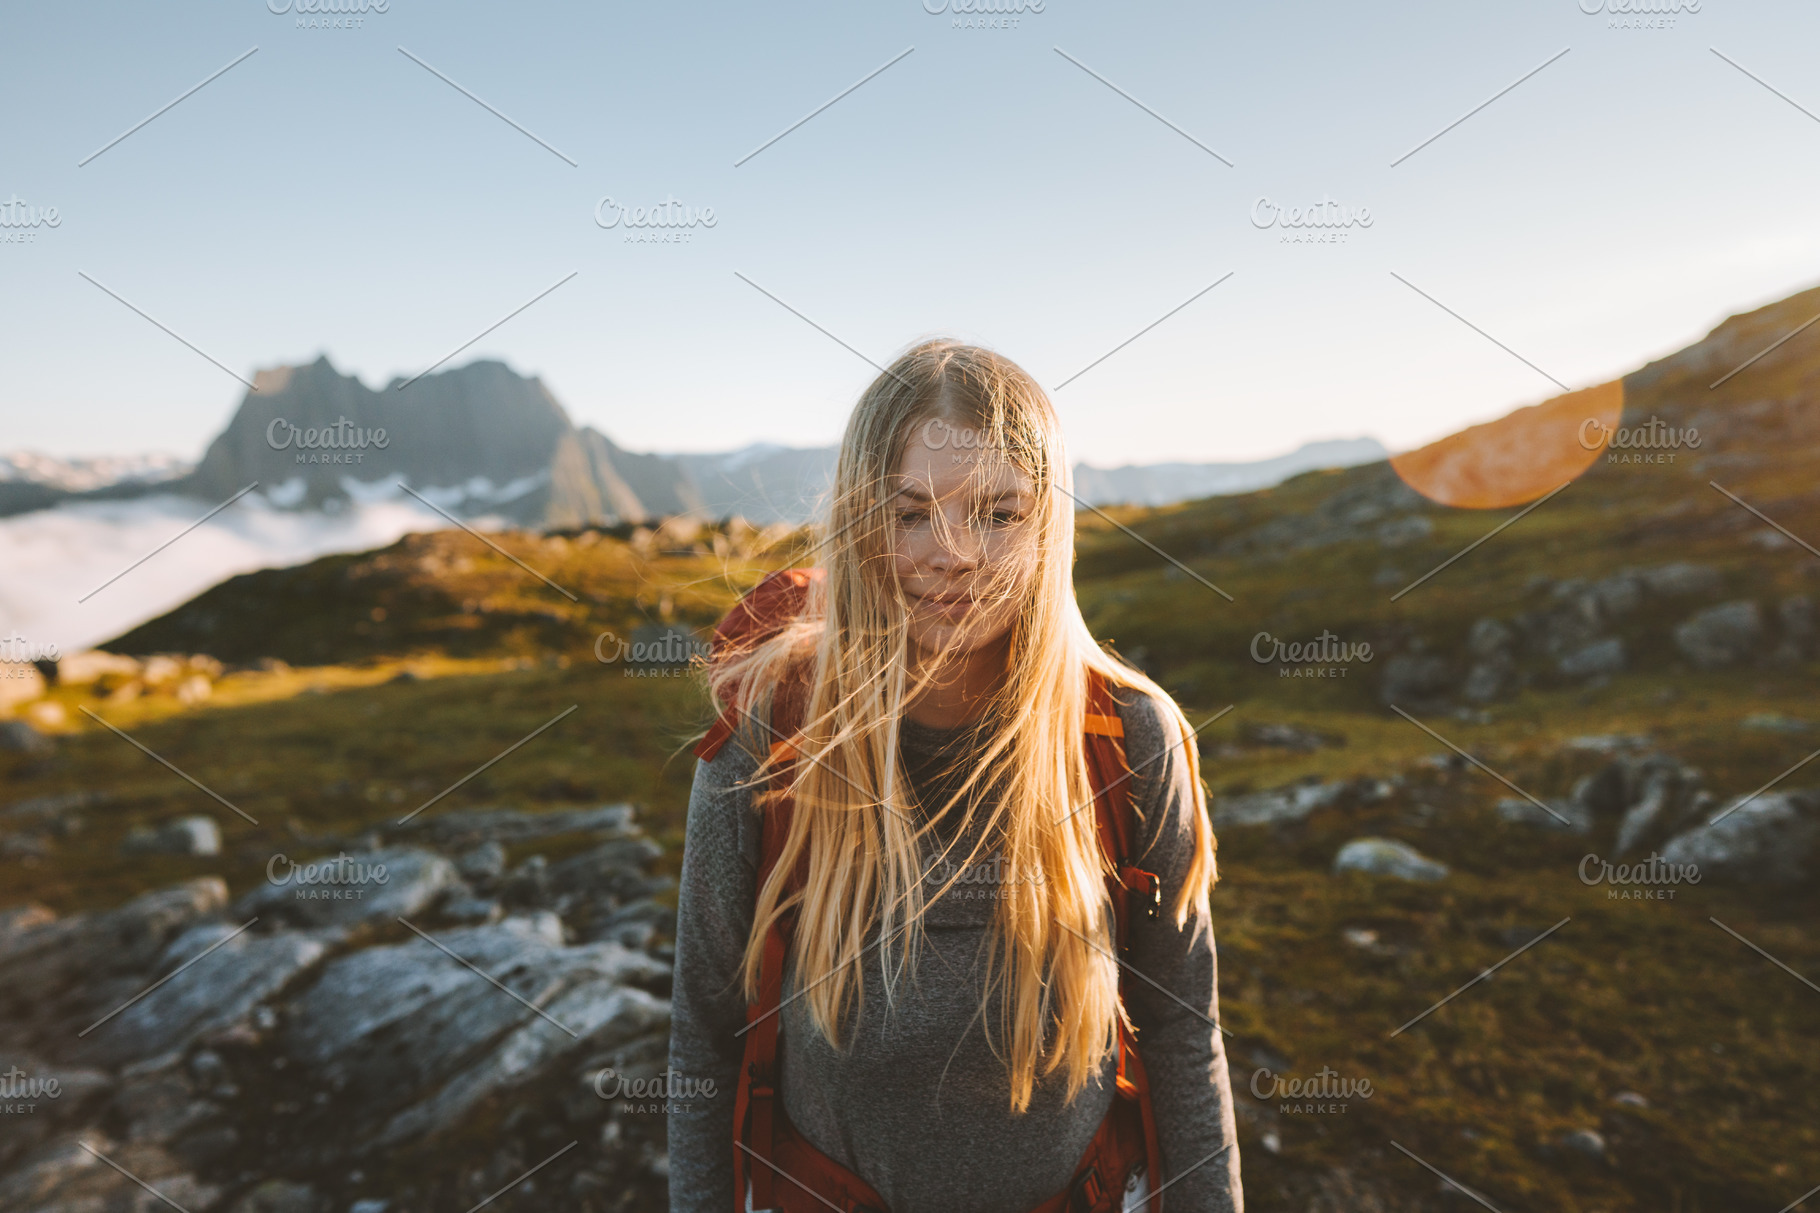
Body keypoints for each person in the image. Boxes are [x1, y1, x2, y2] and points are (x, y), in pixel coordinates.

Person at [668, 340, 1242, 1213]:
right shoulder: (771, 742)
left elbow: (1181, 1032)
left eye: (1000, 513)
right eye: (911, 514)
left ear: (1049, 525)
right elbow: (703, 1041)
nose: (955, 553)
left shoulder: (1129, 738)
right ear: (861, 525)